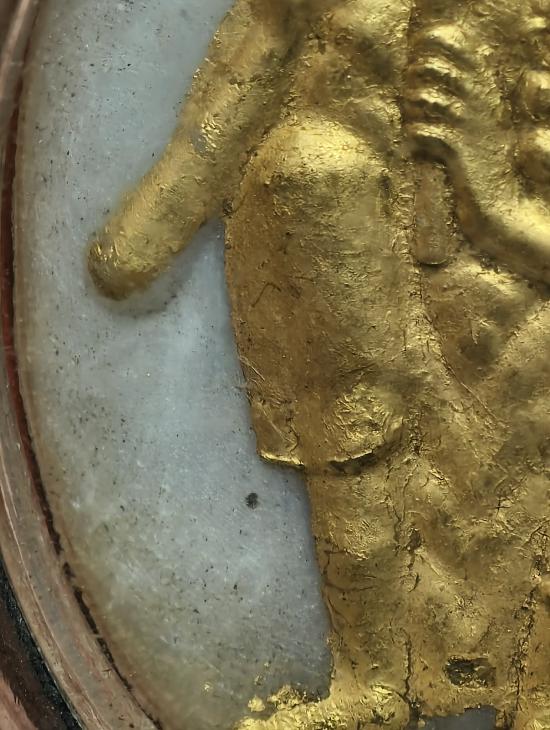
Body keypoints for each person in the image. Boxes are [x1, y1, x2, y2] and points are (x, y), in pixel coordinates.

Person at [89, 1, 550, 727]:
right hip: (376, 327)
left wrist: (490, 207)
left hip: (517, 340)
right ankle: (373, 679)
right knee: (311, 173)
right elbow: (255, 63)